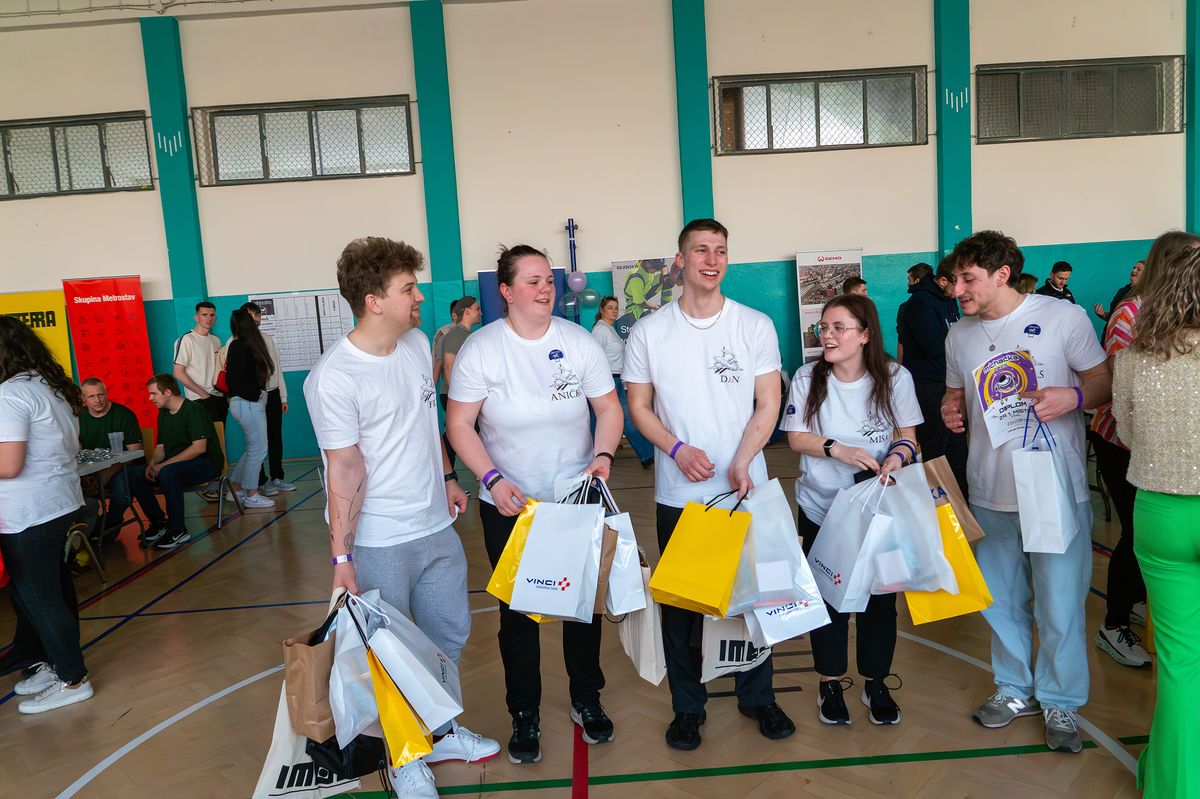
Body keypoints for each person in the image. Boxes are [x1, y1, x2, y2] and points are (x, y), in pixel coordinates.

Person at [304, 237, 499, 798]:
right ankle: (402, 756)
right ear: (373, 301)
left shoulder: (414, 344)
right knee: (387, 655)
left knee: (446, 638)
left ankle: (441, 733)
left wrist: (447, 477)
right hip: (380, 540)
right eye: (408, 288)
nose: (419, 297)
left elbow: (424, 419)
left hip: (436, 526)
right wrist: (342, 558)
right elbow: (344, 470)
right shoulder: (333, 377)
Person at [446, 245, 623, 764]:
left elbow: (608, 409)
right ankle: (524, 712)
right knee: (519, 616)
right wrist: (492, 478)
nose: (545, 288)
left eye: (548, 279)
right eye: (532, 281)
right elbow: (459, 424)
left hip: (575, 501)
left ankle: (586, 699)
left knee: (582, 609)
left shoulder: (578, 341)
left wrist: (603, 456)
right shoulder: (482, 350)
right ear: (505, 291)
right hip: (510, 505)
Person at [625, 219, 795, 750]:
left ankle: (758, 697)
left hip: (745, 490)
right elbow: (639, 407)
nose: (712, 260)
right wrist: (676, 449)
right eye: (700, 250)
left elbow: (769, 402)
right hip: (681, 496)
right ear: (680, 260)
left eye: (720, 250)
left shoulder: (754, 325)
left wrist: (743, 459)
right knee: (682, 609)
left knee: (753, 600)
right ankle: (688, 708)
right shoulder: (650, 331)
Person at [941, 230, 1110, 754]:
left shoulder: (1064, 317)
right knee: (1001, 602)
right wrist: (951, 408)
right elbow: (955, 393)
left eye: (968, 279)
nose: (957, 290)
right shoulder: (959, 334)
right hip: (989, 488)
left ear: (1002, 274)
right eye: (954, 280)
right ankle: (1014, 688)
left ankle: (1061, 700)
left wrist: (1074, 396)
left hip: (1054, 488)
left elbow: (1103, 380)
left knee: (1059, 604)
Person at [781, 294, 922, 725]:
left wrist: (896, 457)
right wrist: (836, 449)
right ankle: (830, 682)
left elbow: (908, 437)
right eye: (823, 327)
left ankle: (876, 681)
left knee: (880, 600)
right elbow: (796, 437)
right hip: (821, 508)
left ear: (864, 335)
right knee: (830, 599)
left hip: (879, 509)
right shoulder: (808, 377)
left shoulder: (895, 377)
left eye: (838, 328)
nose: (827, 335)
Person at [1111, 243, 1200, 798]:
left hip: (1160, 512)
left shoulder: (1133, 359)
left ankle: (1173, 787)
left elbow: (1125, 432)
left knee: (1179, 663)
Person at [1090, 235, 1197, 668]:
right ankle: (1113, 624)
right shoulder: (1131, 313)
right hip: (1123, 443)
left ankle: (1137, 601)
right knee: (1133, 535)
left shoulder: (1177, 313)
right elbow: (1123, 392)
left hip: (1161, 451)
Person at [0, 316, 92, 714]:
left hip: (28, 511)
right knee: (49, 591)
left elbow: (8, 465)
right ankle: (56, 664)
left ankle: (73, 679)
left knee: (39, 598)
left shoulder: (10, 393)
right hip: (56, 503)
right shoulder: (48, 385)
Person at [897, 260, 963, 486]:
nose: (960, 292)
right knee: (936, 447)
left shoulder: (948, 300)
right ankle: (938, 498)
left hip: (948, 381)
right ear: (943, 281)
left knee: (957, 445)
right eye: (958, 284)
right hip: (928, 385)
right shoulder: (920, 303)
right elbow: (934, 346)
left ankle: (960, 496)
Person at [78, 377, 165, 540]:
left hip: (124, 466)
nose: (97, 400)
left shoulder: (123, 414)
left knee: (121, 495)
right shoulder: (78, 418)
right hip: (92, 469)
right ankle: (92, 531)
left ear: (106, 393)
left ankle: (104, 527)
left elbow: (134, 453)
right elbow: (77, 451)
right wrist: (86, 475)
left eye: (101, 395)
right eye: (91, 396)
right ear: (83, 398)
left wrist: (106, 474)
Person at [144, 374, 224, 549]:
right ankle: (159, 522)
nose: (150, 398)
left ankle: (177, 530)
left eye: (153, 393)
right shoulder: (163, 413)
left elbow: (198, 448)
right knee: (136, 475)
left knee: (167, 472)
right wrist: (152, 464)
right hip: (177, 464)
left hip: (206, 463)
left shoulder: (193, 410)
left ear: (167, 392)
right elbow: (161, 446)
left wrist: (163, 465)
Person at [592, 295, 655, 469]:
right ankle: (648, 454)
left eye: (616, 308)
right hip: (609, 380)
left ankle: (596, 457)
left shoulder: (609, 329)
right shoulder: (600, 330)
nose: (614, 311)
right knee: (627, 418)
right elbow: (593, 358)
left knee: (603, 419)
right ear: (602, 310)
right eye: (610, 308)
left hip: (617, 379)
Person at [224, 309, 275, 510]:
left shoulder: (245, 345)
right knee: (259, 449)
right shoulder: (238, 346)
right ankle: (252, 494)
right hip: (247, 403)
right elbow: (233, 381)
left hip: (249, 403)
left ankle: (235, 489)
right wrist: (257, 395)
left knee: (254, 448)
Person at [242, 302, 295, 493]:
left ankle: (277, 477)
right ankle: (260, 480)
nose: (255, 319)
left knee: (275, 437)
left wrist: (283, 396)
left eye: (257, 315)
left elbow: (277, 368)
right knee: (257, 440)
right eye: (251, 315)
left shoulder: (267, 338)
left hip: (272, 394)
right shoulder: (236, 341)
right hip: (252, 397)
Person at [439, 296, 481, 473]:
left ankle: (447, 475)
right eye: (477, 309)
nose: (480, 312)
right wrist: (454, 397)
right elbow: (448, 366)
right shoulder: (456, 334)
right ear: (467, 311)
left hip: (460, 396)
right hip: (455, 396)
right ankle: (448, 476)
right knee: (457, 435)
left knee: (456, 435)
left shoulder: (466, 335)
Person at [895, 262, 933, 364]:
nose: (908, 283)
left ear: (917, 281)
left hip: (916, 367)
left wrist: (900, 368)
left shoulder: (905, 308)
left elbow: (901, 340)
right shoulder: (944, 303)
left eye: (909, 280)